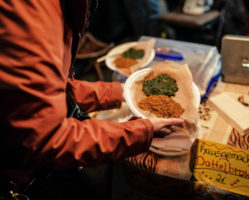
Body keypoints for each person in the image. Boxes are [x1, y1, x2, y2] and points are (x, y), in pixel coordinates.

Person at [0, 0, 183, 199]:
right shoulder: (30, 11)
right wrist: (140, 132)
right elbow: (44, 139)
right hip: (25, 177)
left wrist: (122, 92)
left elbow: (50, 90)